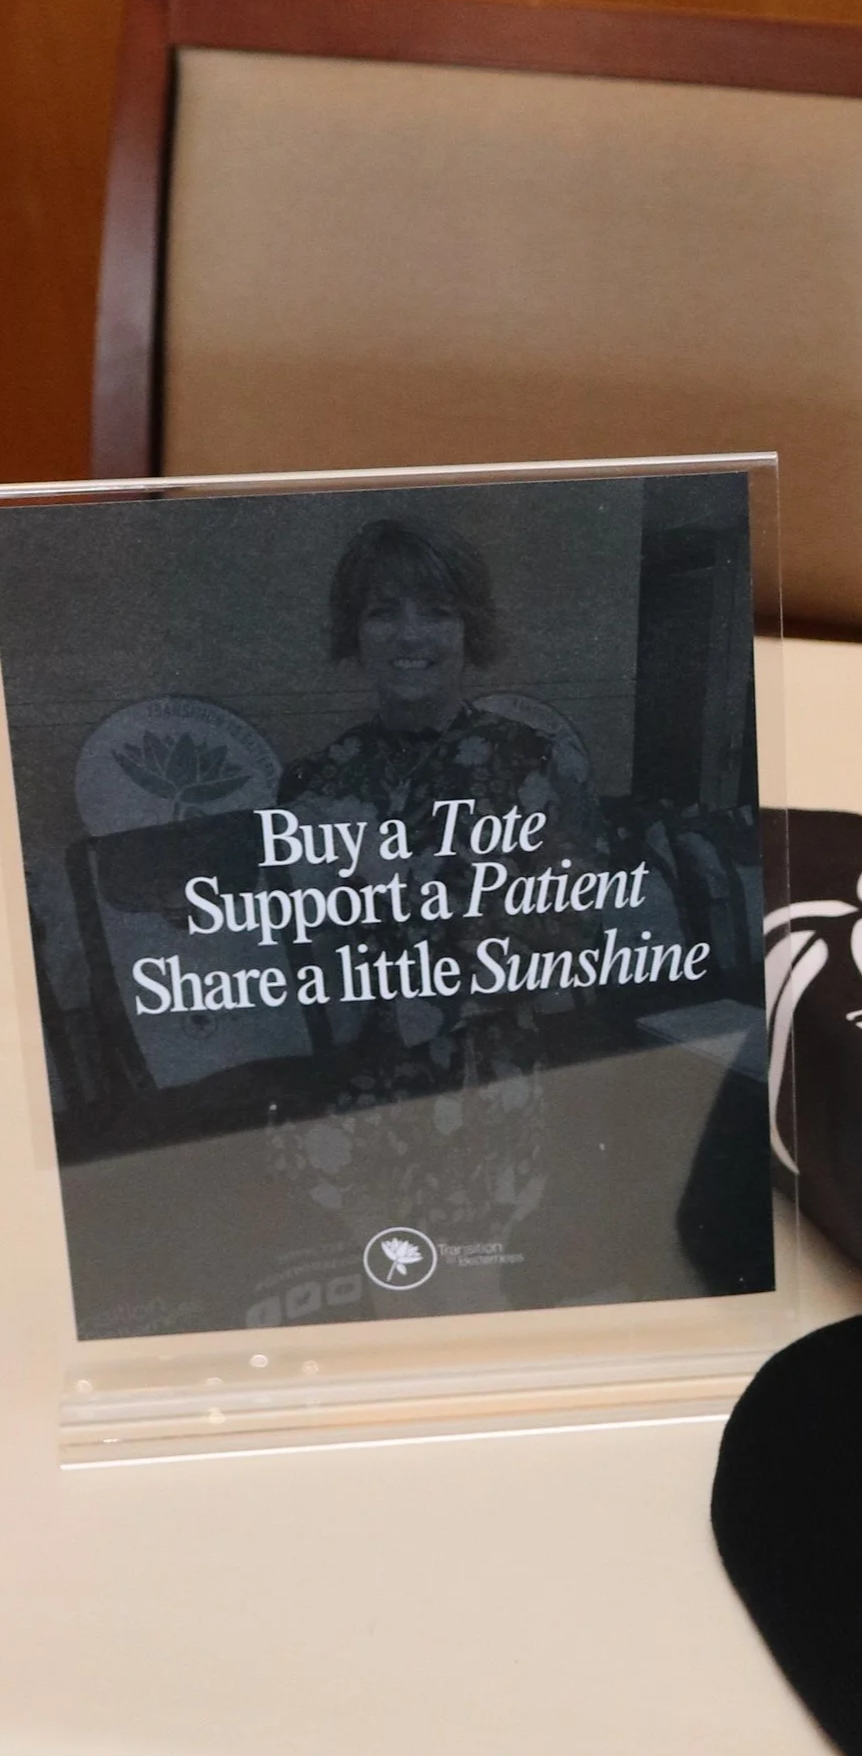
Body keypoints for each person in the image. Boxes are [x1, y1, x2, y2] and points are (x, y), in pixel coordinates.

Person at [267, 514, 606, 1298]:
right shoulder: (313, 783)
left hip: (486, 1090)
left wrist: (412, 890)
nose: (408, 634)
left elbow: (580, 940)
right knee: (375, 1300)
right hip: (354, 1100)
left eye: (436, 610)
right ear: (353, 631)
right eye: (383, 611)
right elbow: (290, 970)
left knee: (472, 1295)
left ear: (469, 628)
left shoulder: (535, 763)